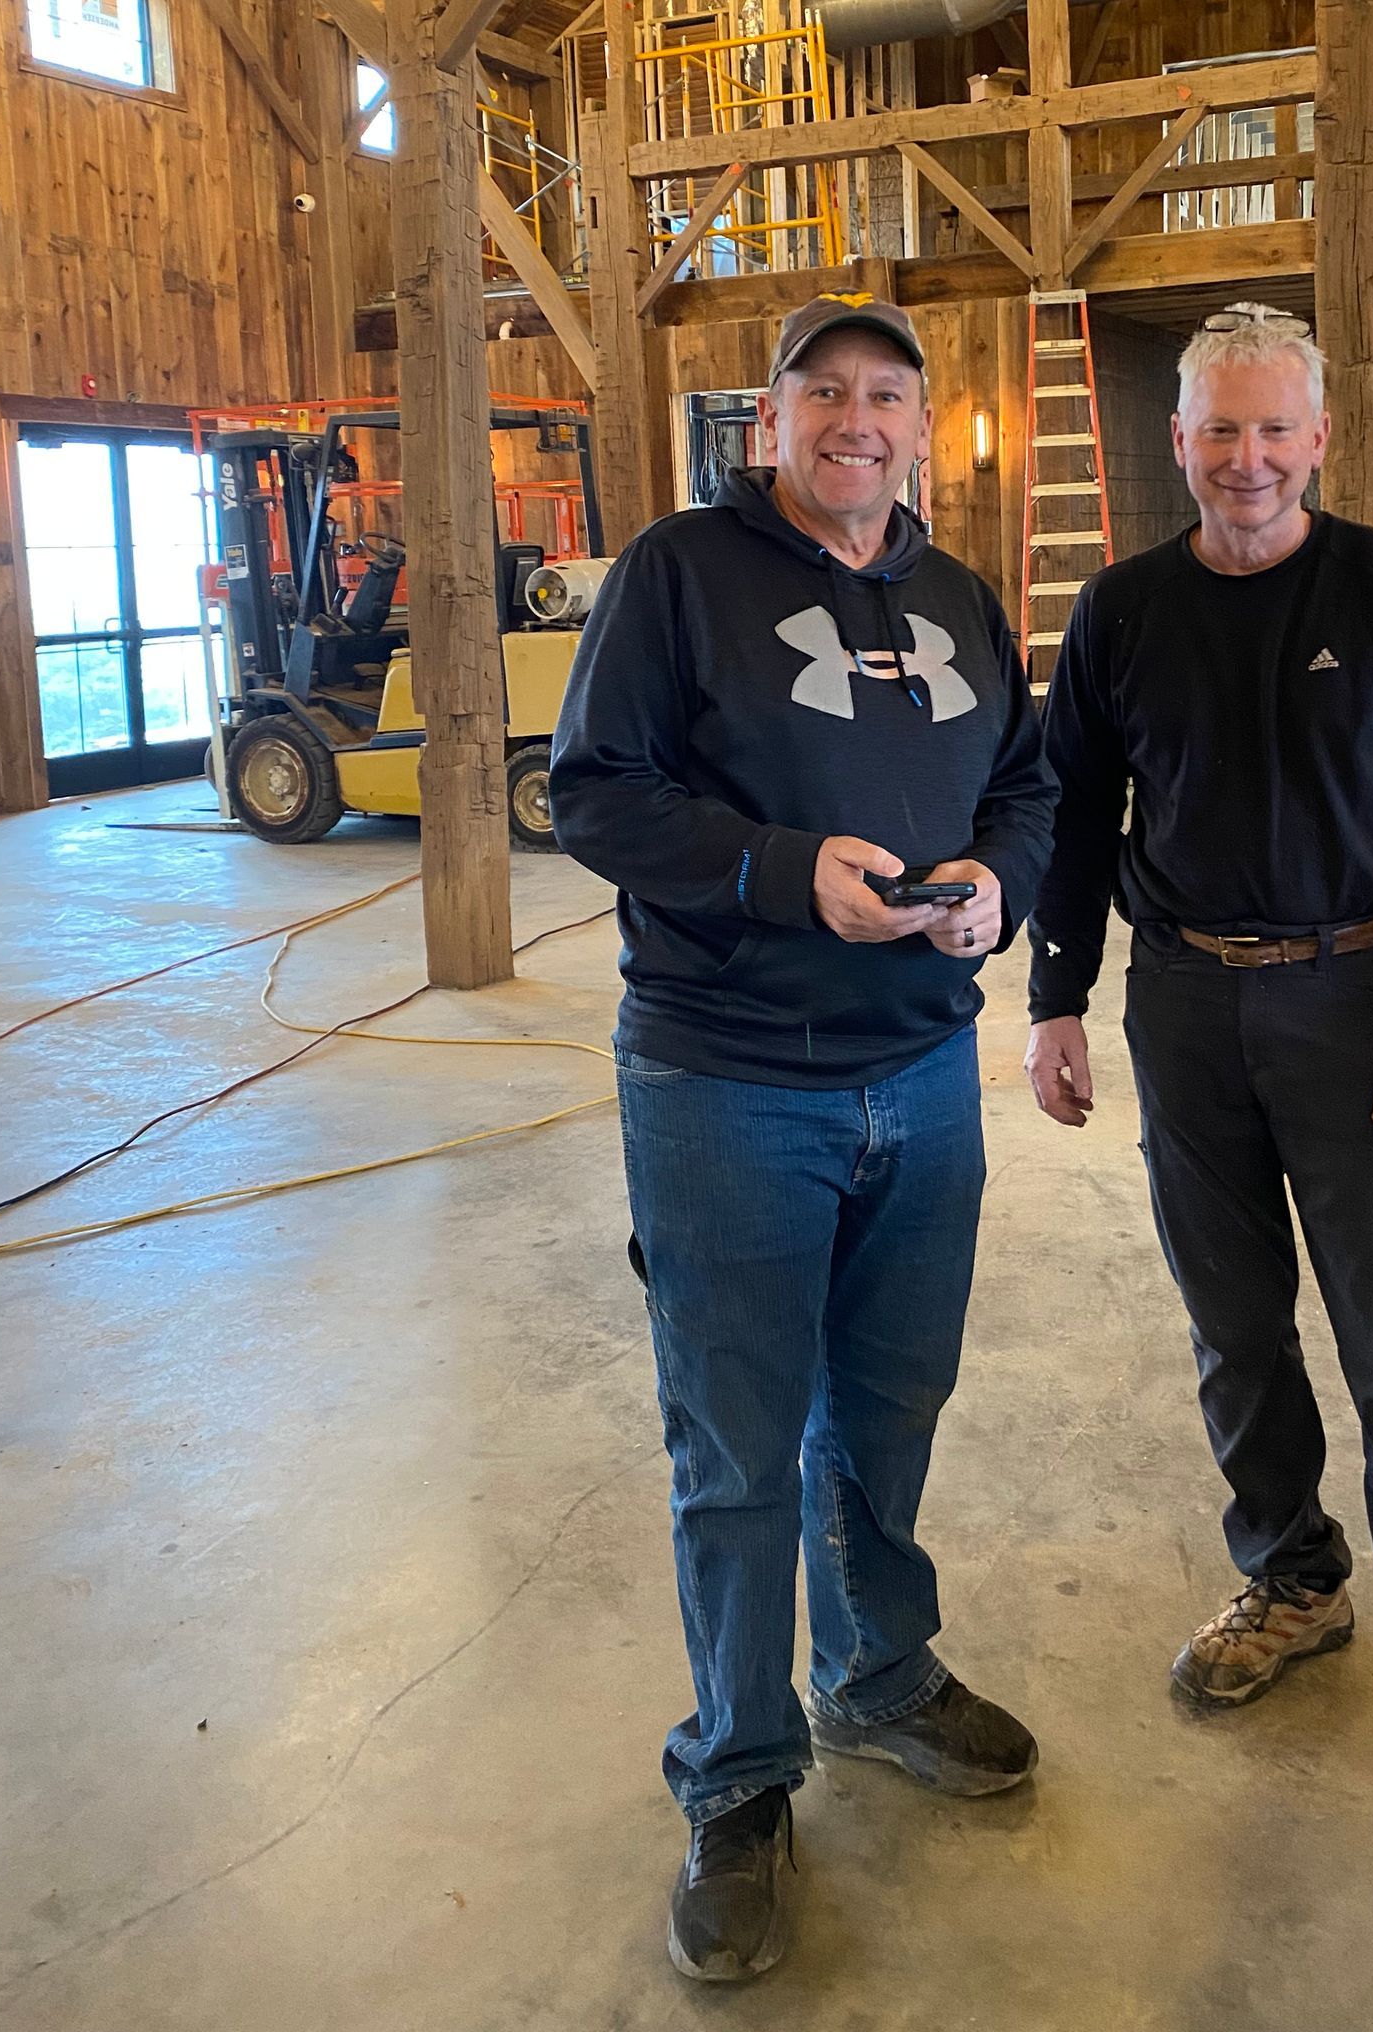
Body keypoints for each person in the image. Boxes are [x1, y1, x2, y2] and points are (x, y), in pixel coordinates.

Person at [549, 294, 1058, 1979]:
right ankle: (741, 1774)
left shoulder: (961, 597)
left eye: (887, 394)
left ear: (924, 425)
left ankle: (878, 1676)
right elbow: (594, 791)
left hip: (922, 1075)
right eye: (822, 392)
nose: (857, 418)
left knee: (890, 1412)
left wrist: (998, 881)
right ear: (769, 423)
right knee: (739, 1450)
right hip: (728, 1081)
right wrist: (787, 873)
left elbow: (1030, 790)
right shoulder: (677, 577)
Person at [1023, 310, 1373, 1838]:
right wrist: (1057, 998)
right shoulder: (1120, 612)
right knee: (1234, 1325)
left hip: (1358, 1003)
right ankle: (1295, 1576)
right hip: (1184, 1005)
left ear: (1318, 440)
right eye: (1215, 431)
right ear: (1174, 444)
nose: (1244, 458)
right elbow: (1070, 817)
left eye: (1272, 430)